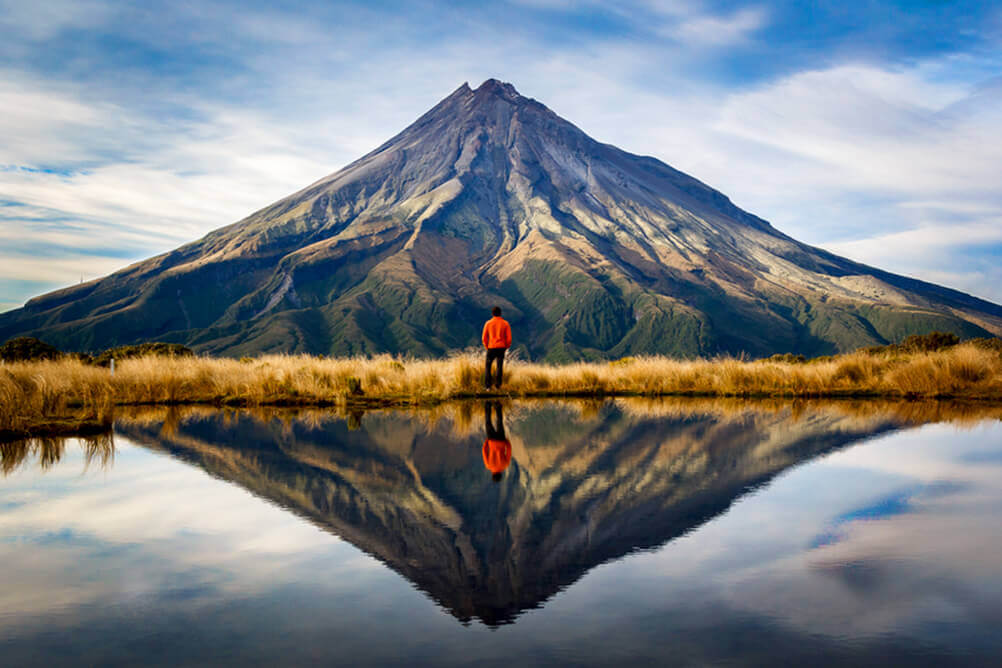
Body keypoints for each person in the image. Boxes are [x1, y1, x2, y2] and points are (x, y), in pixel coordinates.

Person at [481, 306, 512, 390]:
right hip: (501, 347)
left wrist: (487, 346)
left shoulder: (488, 323)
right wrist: (506, 346)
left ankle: (488, 386)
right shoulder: (505, 323)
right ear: (500, 313)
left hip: (491, 347)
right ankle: (498, 386)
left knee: (488, 366)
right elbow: (509, 338)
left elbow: (484, 338)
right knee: (499, 366)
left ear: (492, 314)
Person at [482, 401, 512, 483]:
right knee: (488, 422)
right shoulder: (488, 465)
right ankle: (488, 405)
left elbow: (509, 451)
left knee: (500, 422)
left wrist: (507, 442)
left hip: (501, 441)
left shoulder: (505, 465)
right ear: (492, 475)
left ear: (500, 475)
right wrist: (487, 442)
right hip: (491, 441)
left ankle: (498, 406)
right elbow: (484, 452)